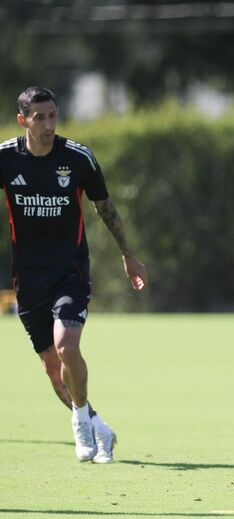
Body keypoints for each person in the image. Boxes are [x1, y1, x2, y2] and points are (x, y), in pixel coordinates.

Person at [0, 86, 148, 463]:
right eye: (39, 117)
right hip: (28, 279)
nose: (48, 124)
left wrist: (128, 255)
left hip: (70, 271)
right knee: (53, 369)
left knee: (67, 346)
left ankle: (80, 424)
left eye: (53, 115)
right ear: (23, 121)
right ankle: (100, 428)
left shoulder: (78, 157)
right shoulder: (5, 158)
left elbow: (105, 207)